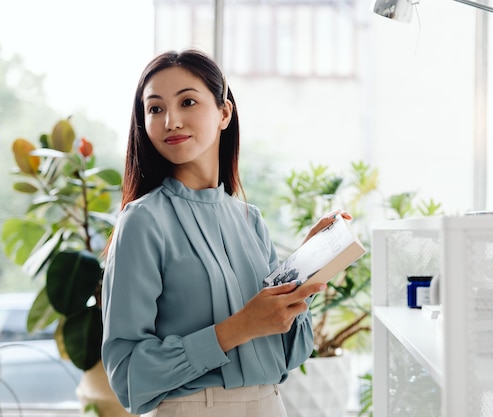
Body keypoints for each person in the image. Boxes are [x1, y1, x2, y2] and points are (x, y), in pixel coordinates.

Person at [101, 48, 352, 417]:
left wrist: (304, 275)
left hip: (270, 405)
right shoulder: (142, 222)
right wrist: (236, 329)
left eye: (187, 101)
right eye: (155, 108)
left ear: (224, 112)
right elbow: (127, 376)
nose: (171, 120)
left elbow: (288, 356)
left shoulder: (251, 220)